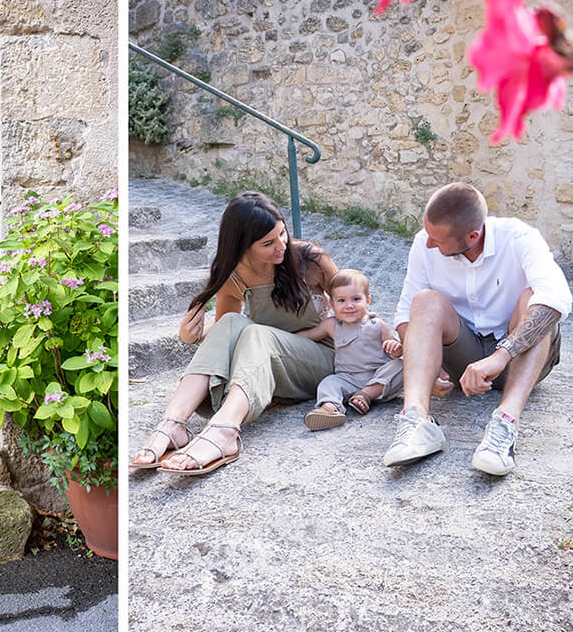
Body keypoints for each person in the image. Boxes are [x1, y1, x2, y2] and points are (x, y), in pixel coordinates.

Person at [129, 191, 337, 474]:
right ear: (242, 246)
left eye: (282, 234)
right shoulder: (233, 275)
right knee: (231, 324)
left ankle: (225, 431)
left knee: (257, 334)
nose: (281, 246)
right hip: (265, 367)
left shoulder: (310, 259)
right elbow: (227, 330)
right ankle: (173, 423)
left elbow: (354, 304)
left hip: (318, 360)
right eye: (268, 243)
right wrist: (194, 335)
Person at [383, 182, 571, 475]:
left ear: (473, 235)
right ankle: (417, 422)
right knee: (424, 301)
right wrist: (426, 369)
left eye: (437, 239)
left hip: (518, 357)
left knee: (536, 299)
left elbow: (557, 299)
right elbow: (406, 314)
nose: (428, 244)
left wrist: (502, 354)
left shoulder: (519, 237)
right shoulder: (424, 243)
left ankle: (504, 426)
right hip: (464, 361)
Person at [298, 269, 404, 430]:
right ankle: (330, 408)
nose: (349, 306)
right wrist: (281, 336)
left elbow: (394, 347)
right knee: (329, 382)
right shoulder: (332, 325)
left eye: (356, 299)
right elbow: (308, 335)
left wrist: (395, 348)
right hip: (348, 378)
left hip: (379, 379)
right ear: (332, 304)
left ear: (367, 300)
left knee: (401, 366)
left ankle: (366, 395)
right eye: (341, 300)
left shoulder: (376, 324)